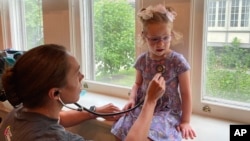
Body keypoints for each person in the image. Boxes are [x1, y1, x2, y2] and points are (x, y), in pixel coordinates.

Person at [0, 44, 166, 141]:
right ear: (55, 93)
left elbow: (58, 118)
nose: (82, 76)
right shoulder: (55, 138)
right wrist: (150, 101)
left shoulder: (16, 114)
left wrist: (93, 112)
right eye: (76, 73)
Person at [111, 4, 196, 141]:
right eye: (154, 39)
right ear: (145, 37)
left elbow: (186, 93)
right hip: (144, 106)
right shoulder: (142, 60)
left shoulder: (177, 61)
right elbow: (137, 84)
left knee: (153, 133)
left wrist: (185, 121)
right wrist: (132, 99)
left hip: (166, 111)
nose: (160, 44)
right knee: (121, 128)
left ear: (171, 35)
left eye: (165, 38)